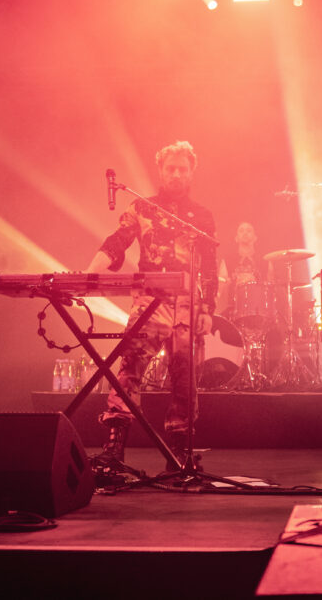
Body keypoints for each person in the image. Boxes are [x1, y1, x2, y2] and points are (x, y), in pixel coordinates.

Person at [87, 141, 217, 470]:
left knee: (185, 377)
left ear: (191, 173)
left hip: (188, 303)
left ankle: (179, 453)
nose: (176, 174)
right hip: (149, 299)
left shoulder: (202, 215)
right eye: (170, 168)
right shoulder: (143, 207)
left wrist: (208, 310)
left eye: (182, 169)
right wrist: (90, 272)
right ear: (160, 170)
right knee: (129, 367)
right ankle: (115, 448)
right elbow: (118, 240)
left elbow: (211, 265)